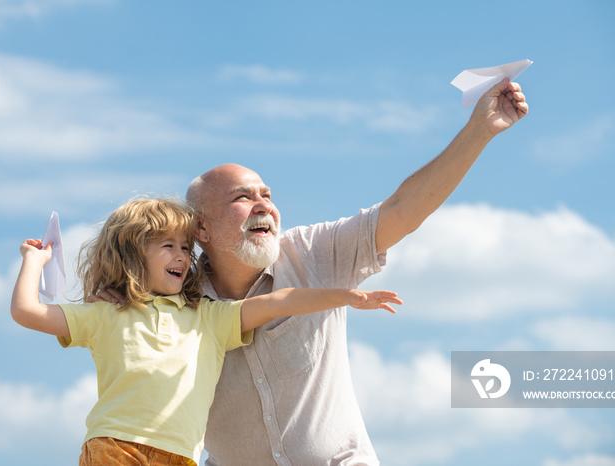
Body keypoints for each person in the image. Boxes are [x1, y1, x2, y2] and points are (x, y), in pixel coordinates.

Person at [98, 79, 528, 464]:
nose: (264, 204)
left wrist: (480, 130)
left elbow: (402, 210)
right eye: (242, 198)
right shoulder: (172, 300)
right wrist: (114, 299)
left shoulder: (315, 253)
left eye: (267, 194)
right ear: (202, 228)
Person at [10, 198, 402, 466]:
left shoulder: (208, 319)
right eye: (167, 245)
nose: (182, 256)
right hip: (116, 448)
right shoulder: (108, 313)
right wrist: (35, 259)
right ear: (132, 254)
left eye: (186, 247)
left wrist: (347, 296)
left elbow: (277, 302)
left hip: (182, 456)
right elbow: (28, 311)